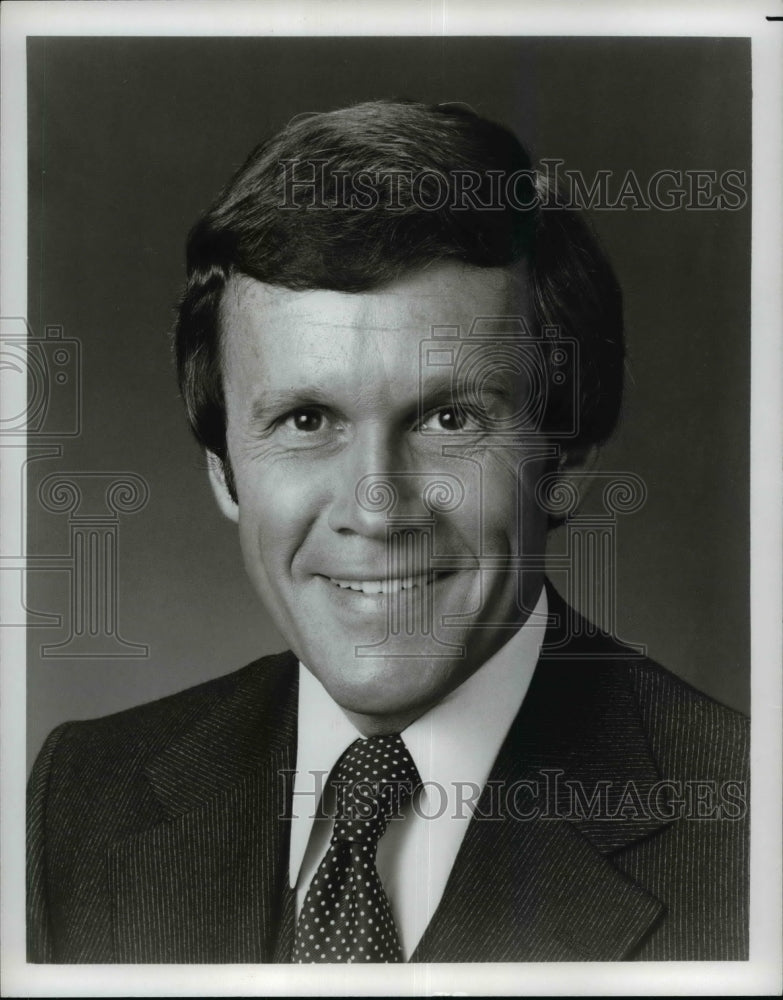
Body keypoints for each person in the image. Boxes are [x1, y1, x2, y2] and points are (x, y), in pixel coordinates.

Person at [27, 99, 748, 963]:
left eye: (448, 418)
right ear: (223, 469)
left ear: (566, 457)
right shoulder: (83, 796)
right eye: (304, 420)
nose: (376, 510)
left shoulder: (750, 827)